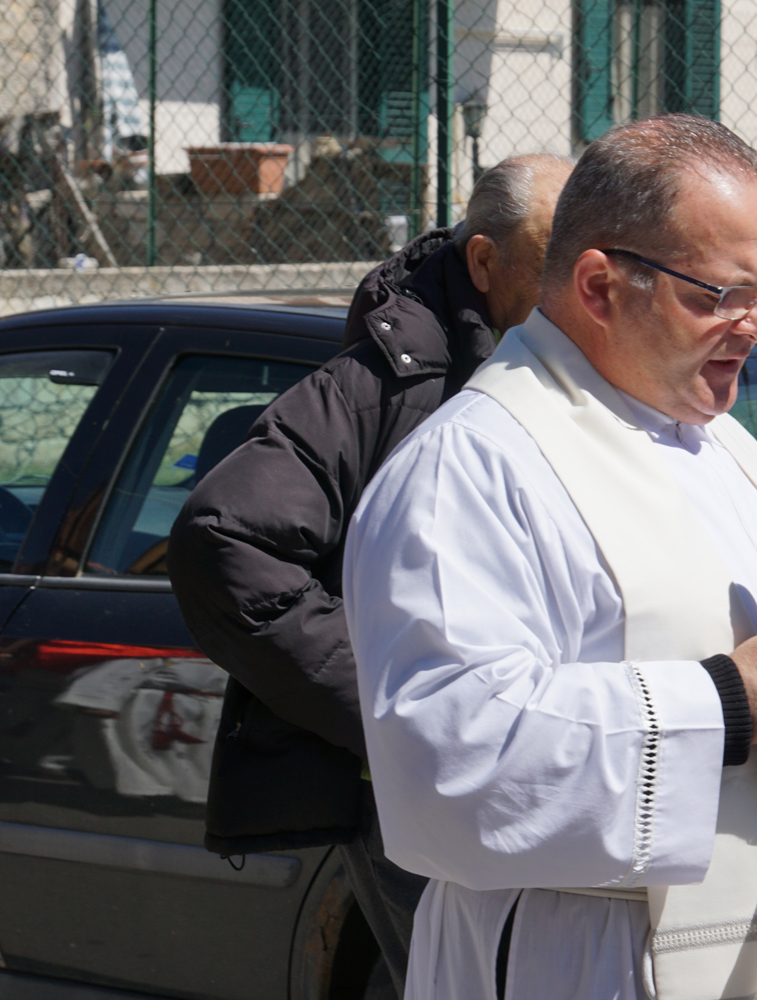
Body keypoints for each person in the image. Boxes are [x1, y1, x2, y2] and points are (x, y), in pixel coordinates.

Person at [342, 113, 757, 1000]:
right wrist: (729, 702)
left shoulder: (731, 454)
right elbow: (446, 758)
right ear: (601, 286)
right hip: (590, 956)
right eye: (725, 294)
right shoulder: (473, 469)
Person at [168, 153, 573, 999]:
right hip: (422, 802)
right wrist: (402, 705)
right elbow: (224, 543)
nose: (581, 287)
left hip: (560, 782)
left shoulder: (591, 377)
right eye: (555, 262)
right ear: (485, 262)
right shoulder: (384, 386)